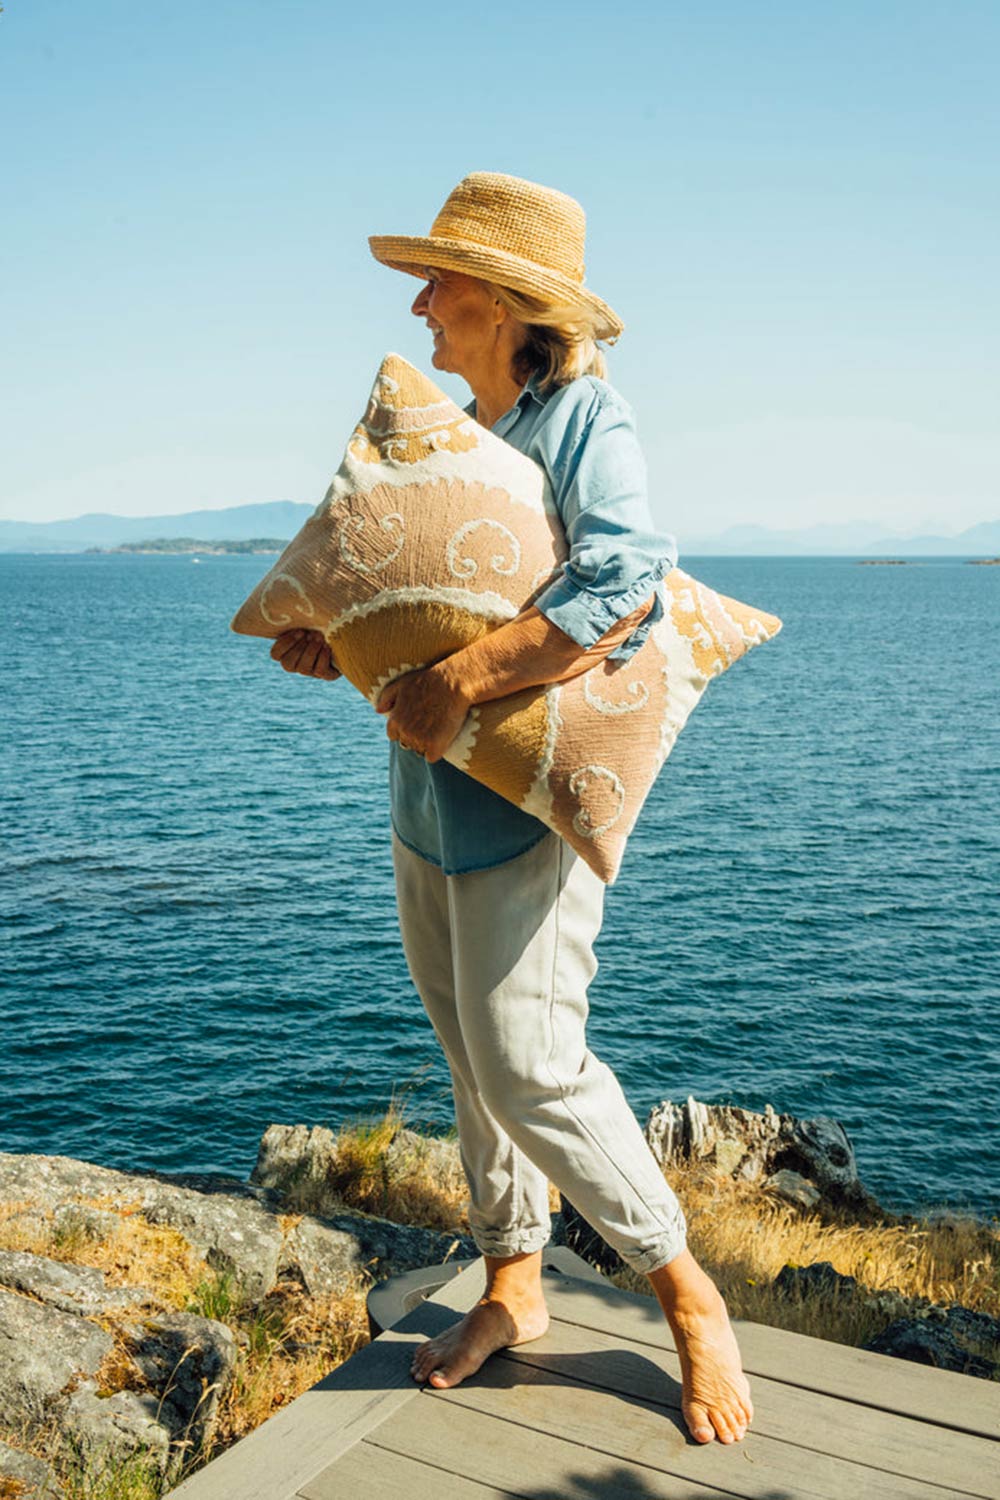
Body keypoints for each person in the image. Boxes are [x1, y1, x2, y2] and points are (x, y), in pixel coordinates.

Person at [271, 173, 753, 1446]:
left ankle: (683, 1291)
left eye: (438, 282)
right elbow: (435, 604)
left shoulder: (586, 416)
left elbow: (625, 578)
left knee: (532, 1062)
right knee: (473, 1061)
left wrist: (465, 680)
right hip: (428, 804)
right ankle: (515, 1285)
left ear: (499, 299)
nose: (419, 305)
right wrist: (347, 641)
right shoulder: (463, 424)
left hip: (527, 811)